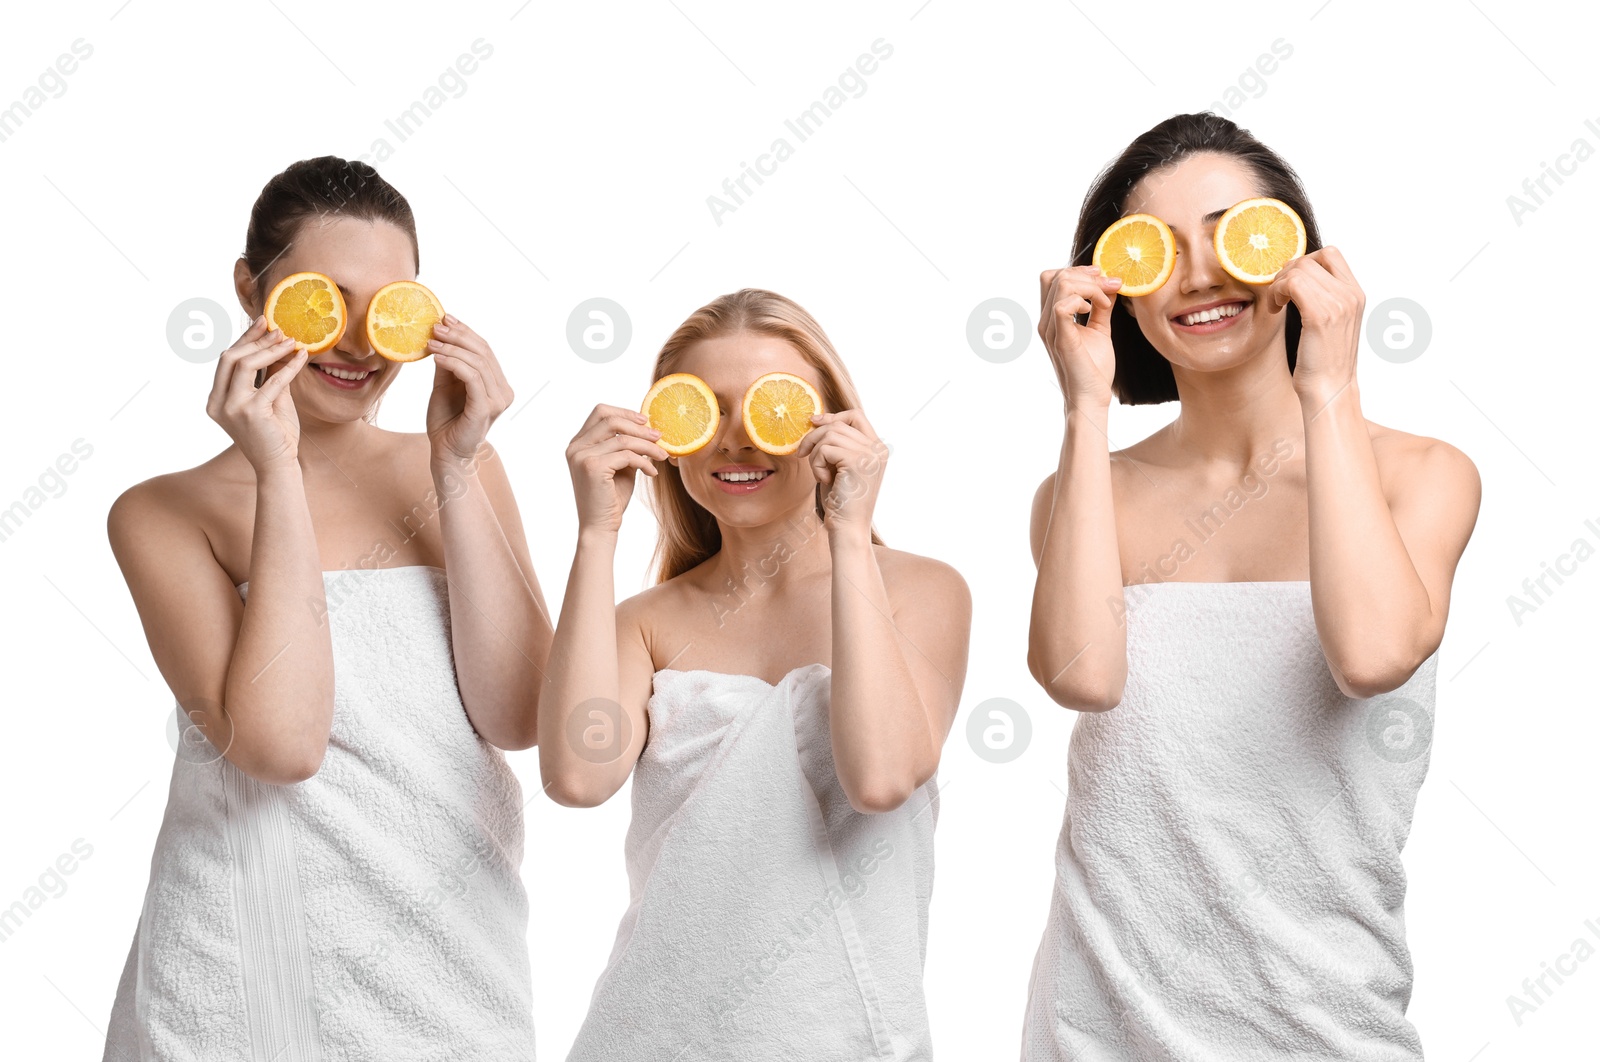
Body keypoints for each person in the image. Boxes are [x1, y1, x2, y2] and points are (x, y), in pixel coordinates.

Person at [1020, 113, 1480, 1060]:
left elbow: (1373, 654)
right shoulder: (1081, 494)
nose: (1198, 275)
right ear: (1121, 294)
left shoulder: (1424, 477)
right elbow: (1082, 677)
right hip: (1096, 1025)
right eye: (1157, 251)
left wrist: (1329, 390)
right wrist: (1083, 406)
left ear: (1296, 260)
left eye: (1232, 235)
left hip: (1323, 1025)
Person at [101, 155, 548, 1059]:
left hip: (452, 973)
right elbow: (281, 744)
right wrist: (278, 470)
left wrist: (456, 466)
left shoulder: (460, 468)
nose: (354, 343)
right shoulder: (161, 513)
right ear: (249, 290)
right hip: (240, 980)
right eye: (321, 301)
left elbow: (519, 715)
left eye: (386, 307)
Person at [540, 288, 970, 1060]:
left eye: (771, 409)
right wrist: (595, 535)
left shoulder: (923, 592)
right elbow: (577, 776)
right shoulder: (646, 621)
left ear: (835, 425)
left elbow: (880, 778)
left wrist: (848, 530)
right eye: (704, 409)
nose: (736, 441)